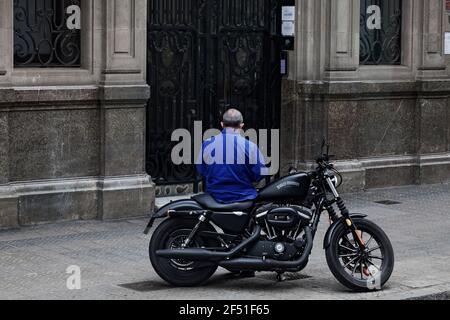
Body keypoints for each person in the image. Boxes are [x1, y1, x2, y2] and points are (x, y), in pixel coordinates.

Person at [196, 108, 267, 204]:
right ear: (242, 125)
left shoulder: (207, 144)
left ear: (222, 124)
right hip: (244, 197)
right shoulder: (250, 147)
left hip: (214, 197)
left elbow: (201, 170)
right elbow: (260, 173)